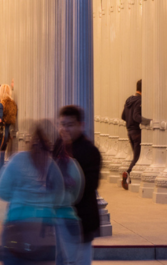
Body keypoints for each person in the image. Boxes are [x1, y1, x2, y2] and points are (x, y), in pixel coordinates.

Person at [0, 118, 82, 265]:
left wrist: (18, 197)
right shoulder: (52, 166)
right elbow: (60, 197)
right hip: (44, 229)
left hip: (17, 225)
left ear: (29, 141)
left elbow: (2, 190)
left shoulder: (17, 160)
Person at [58, 105, 103, 264]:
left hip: (81, 218)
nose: (65, 129)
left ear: (81, 125)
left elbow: (91, 184)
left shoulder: (90, 151)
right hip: (59, 217)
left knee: (80, 260)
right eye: (62, 124)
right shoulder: (57, 147)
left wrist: (69, 181)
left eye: (70, 125)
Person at [120, 81, 146, 190]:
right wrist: (148, 121)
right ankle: (128, 173)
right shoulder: (139, 101)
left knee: (135, 156)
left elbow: (123, 116)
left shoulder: (129, 100)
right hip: (137, 132)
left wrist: (130, 122)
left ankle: (128, 177)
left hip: (129, 131)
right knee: (137, 157)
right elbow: (136, 117)